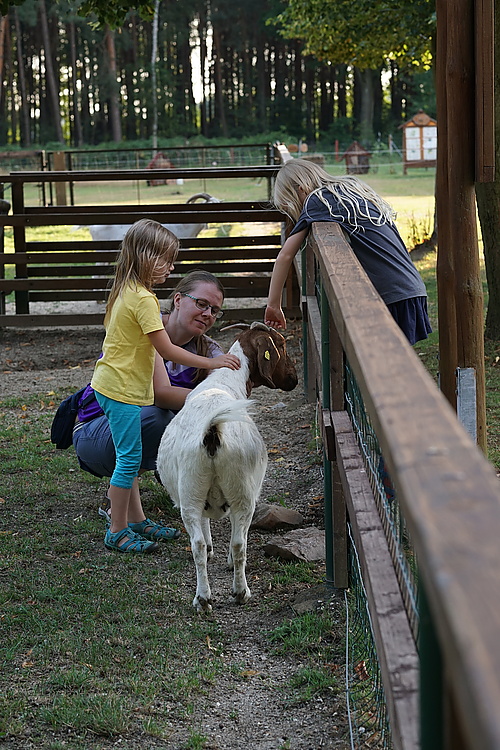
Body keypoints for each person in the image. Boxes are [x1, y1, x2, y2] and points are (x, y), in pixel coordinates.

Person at [89, 221, 239, 554]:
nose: (171, 267)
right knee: (128, 460)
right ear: (146, 256)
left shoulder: (125, 289)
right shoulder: (143, 300)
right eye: (167, 260)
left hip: (112, 385)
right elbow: (167, 350)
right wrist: (214, 362)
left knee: (132, 456)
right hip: (121, 390)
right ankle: (117, 529)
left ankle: (138, 521)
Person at [73, 269, 226, 506]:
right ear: (178, 299)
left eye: (214, 310)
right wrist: (212, 398)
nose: (207, 314)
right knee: (158, 417)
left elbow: (223, 386)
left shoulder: (210, 349)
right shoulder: (148, 327)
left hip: (132, 425)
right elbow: (161, 395)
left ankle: (147, 498)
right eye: (201, 303)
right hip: (95, 431)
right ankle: (116, 503)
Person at [264, 159, 432, 345]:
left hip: (392, 294)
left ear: (301, 189)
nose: (296, 213)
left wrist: (273, 305)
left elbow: (285, 255)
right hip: (409, 286)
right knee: (392, 364)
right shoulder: (348, 188)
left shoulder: (317, 200)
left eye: (291, 205)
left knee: (384, 367)